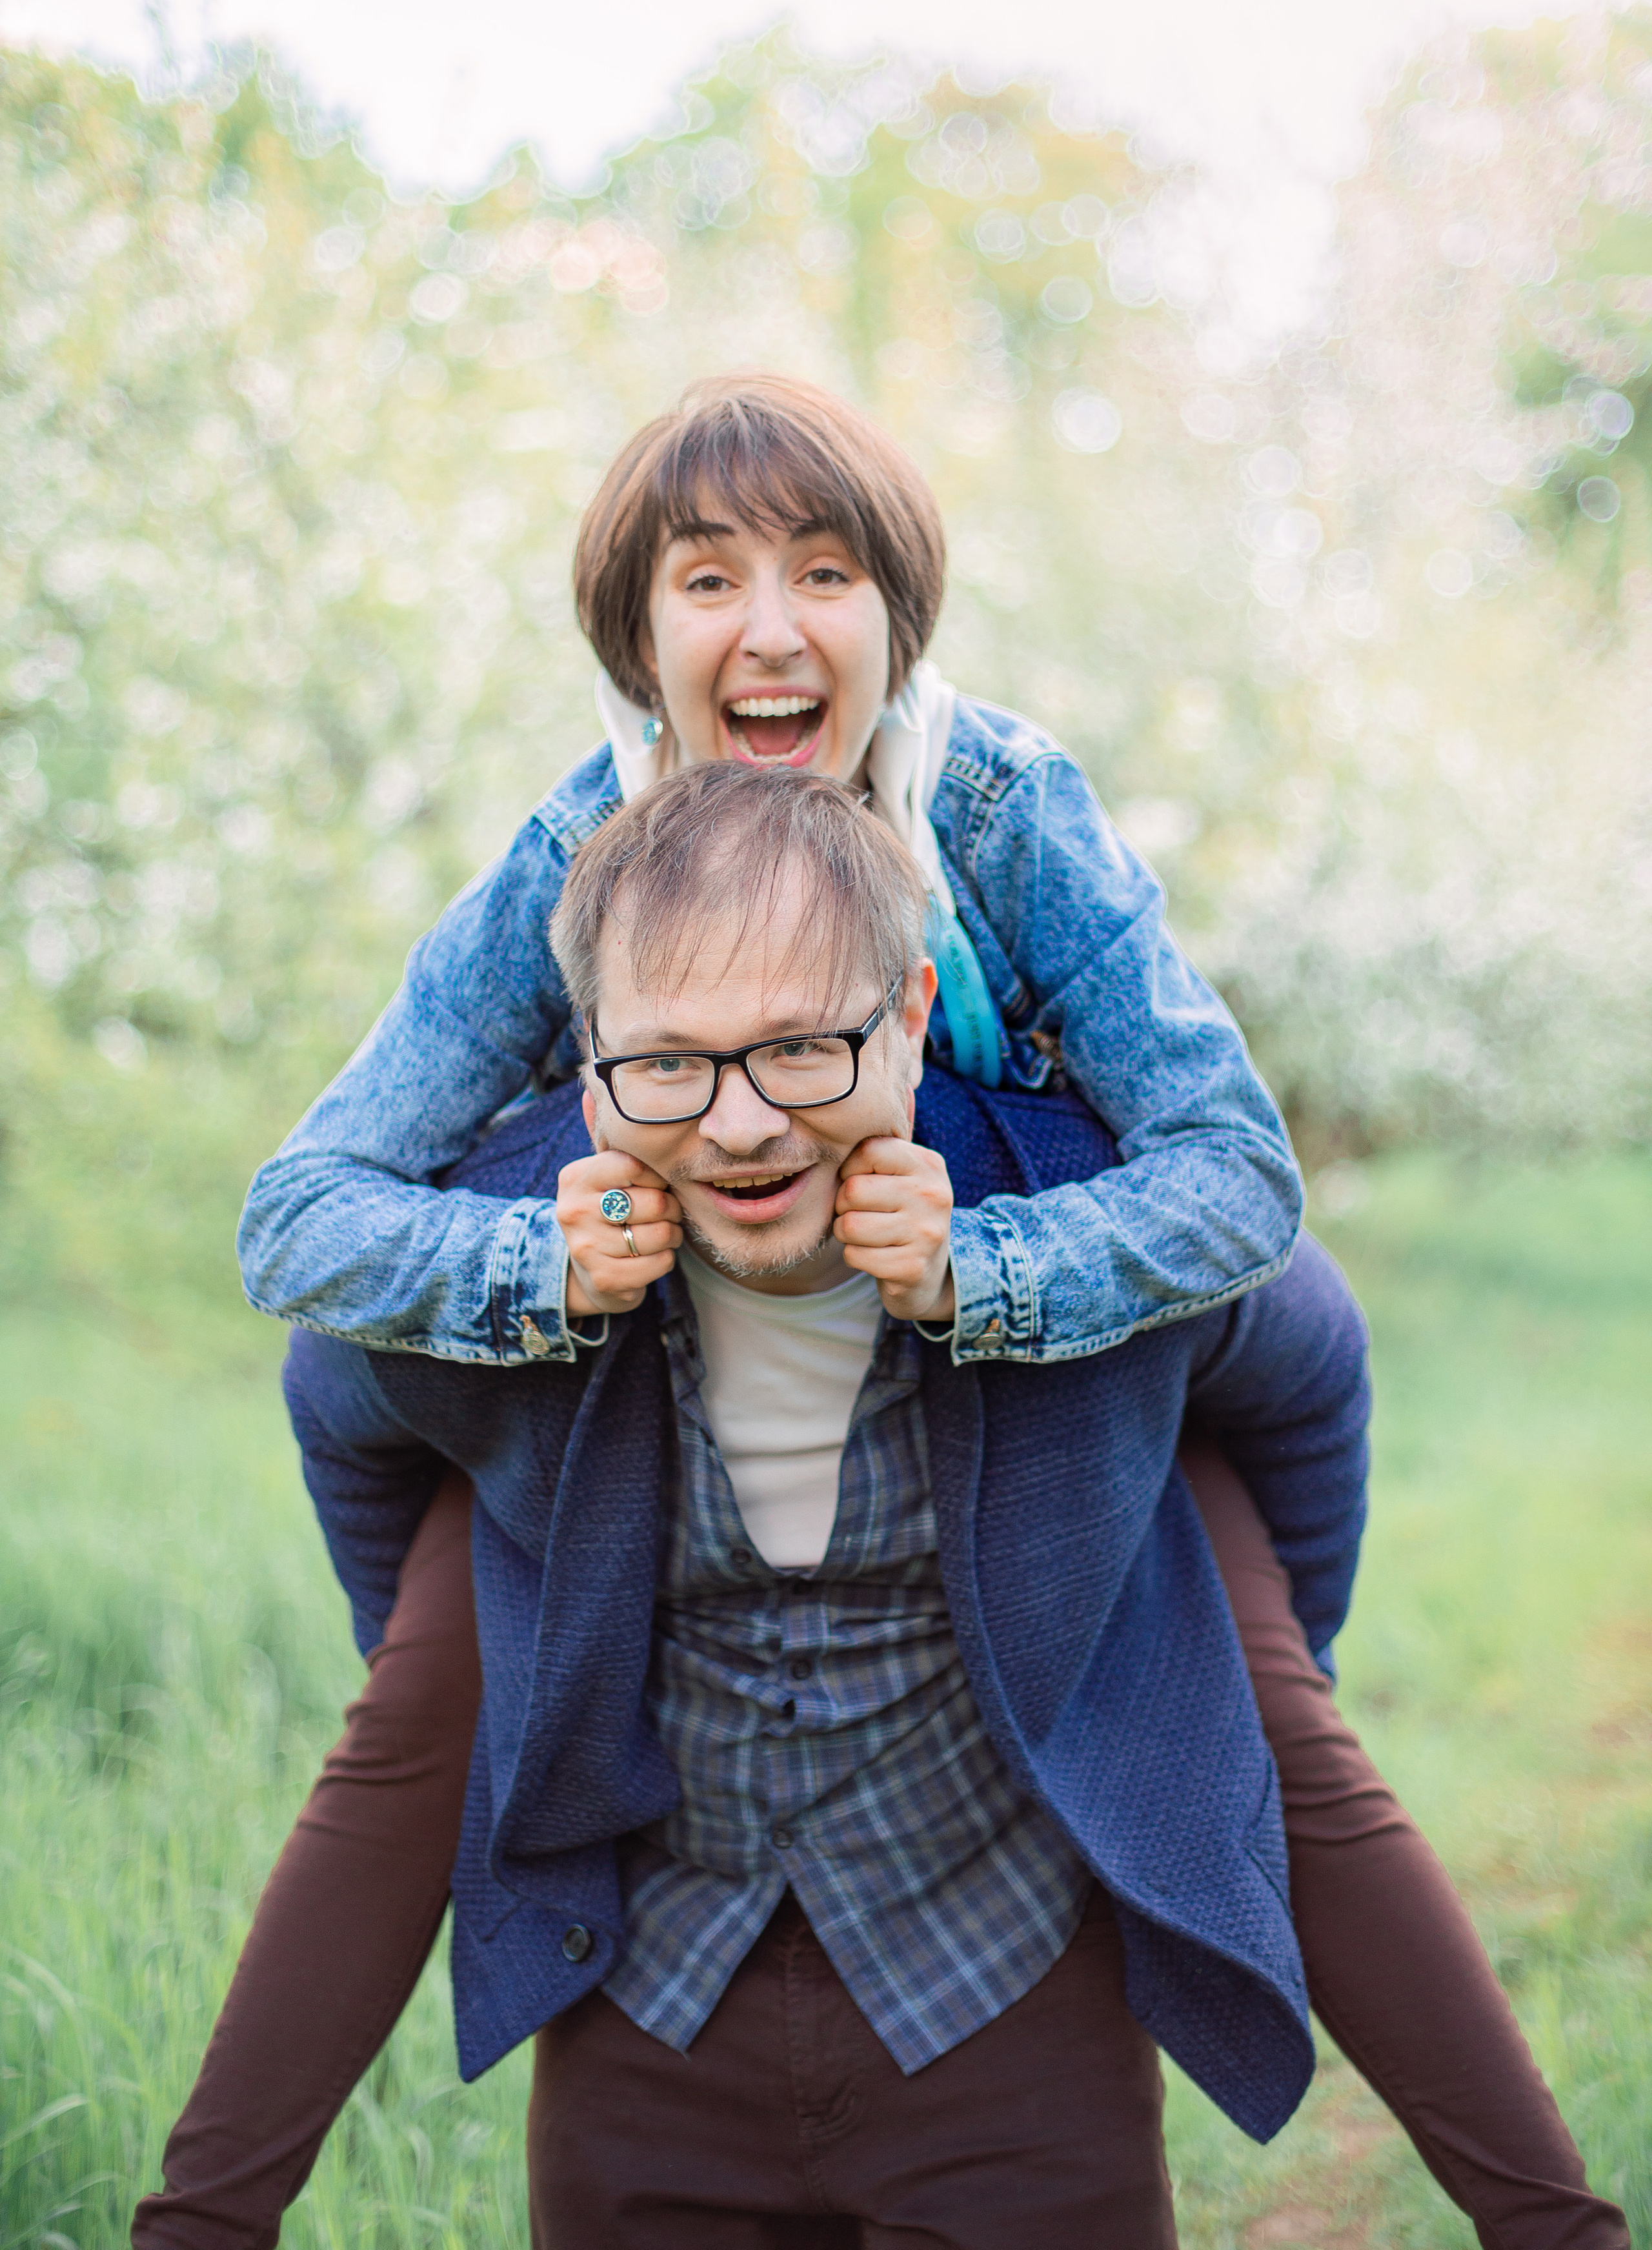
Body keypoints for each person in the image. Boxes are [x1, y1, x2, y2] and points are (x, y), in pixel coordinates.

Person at [133, 380, 1626, 2245]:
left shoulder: (995, 803)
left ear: (898, 627)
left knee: (1256, 1700)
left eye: (825, 572)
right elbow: (307, 1224)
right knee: (439, 1676)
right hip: (656, 1337)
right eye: (708, 579)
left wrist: (986, 1269)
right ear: (635, 641)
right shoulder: (569, 868)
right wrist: (544, 1268)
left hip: (1038, 1318)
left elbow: (1241, 1188)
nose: (770, 626)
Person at [281, 762, 1375, 2242]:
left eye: (799, 1048)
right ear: (587, 1057)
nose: (738, 1126)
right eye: (670, 1064)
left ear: (912, 1016)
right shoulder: (524, 1253)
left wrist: (1252, 1655)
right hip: (649, 2005)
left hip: (1004, 1993)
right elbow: (337, 1401)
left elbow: (1302, 1361)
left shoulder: (1077, 1216)